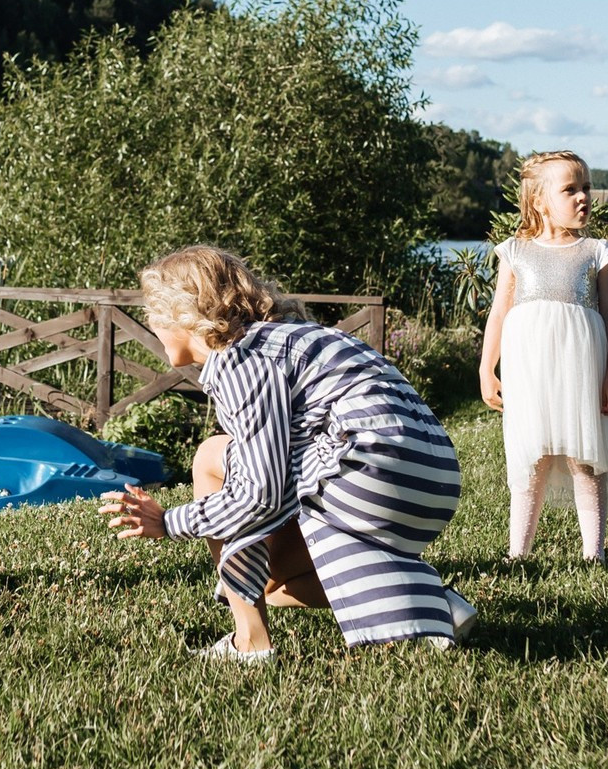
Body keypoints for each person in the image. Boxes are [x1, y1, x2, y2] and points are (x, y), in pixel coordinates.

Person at [100, 246, 476, 663]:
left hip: (370, 469)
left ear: (183, 314)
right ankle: (434, 604)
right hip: (433, 481)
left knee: (210, 457)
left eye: (153, 312)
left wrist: (170, 522)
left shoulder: (240, 359)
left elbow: (258, 495)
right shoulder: (292, 337)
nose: (151, 323)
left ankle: (250, 643)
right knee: (272, 586)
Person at [478, 150, 608, 565]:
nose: (584, 197)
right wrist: (486, 367)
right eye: (570, 189)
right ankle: (517, 554)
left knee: (586, 456)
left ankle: (594, 554)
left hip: (582, 366)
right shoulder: (515, 251)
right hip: (530, 370)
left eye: (586, 187)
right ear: (540, 200)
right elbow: (499, 311)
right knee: (533, 457)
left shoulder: (596, 251)